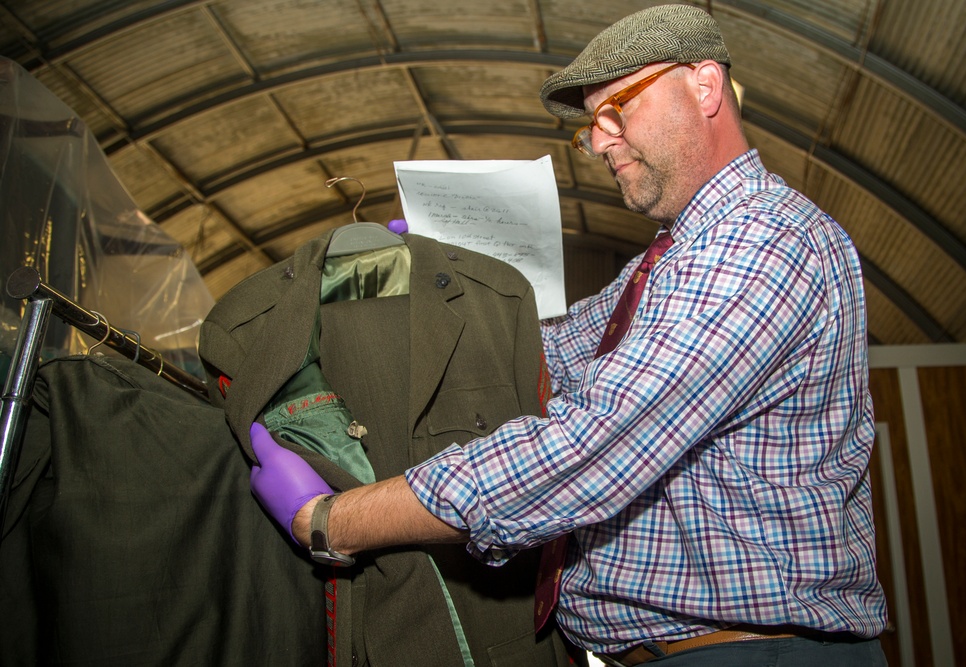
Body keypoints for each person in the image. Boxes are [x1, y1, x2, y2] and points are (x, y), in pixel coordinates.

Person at [248, 5, 889, 666]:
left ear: (704, 87)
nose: (601, 141)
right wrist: (424, 278)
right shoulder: (663, 266)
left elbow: (591, 446)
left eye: (618, 109)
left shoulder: (761, 240)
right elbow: (533, 355)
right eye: (593, 126)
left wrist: (333, 519)